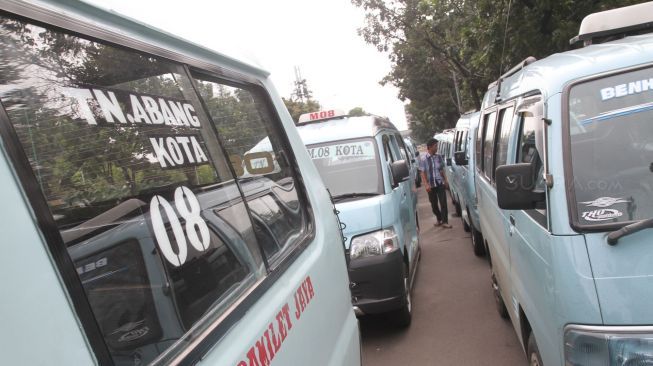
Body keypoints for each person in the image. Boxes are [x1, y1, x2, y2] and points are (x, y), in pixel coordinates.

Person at [420, 138, 451, 228]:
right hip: (430, 185)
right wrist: (426, 184)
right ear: (430, 147)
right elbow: (422, 172)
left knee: (443, 203)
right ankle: (439, 218)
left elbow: (441, 169)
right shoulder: (423, 159)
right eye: (435, 146)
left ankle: (445, 221)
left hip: (439, 183)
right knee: (434, 205)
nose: (437, 148)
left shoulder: (439, 157)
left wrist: (445, 180)